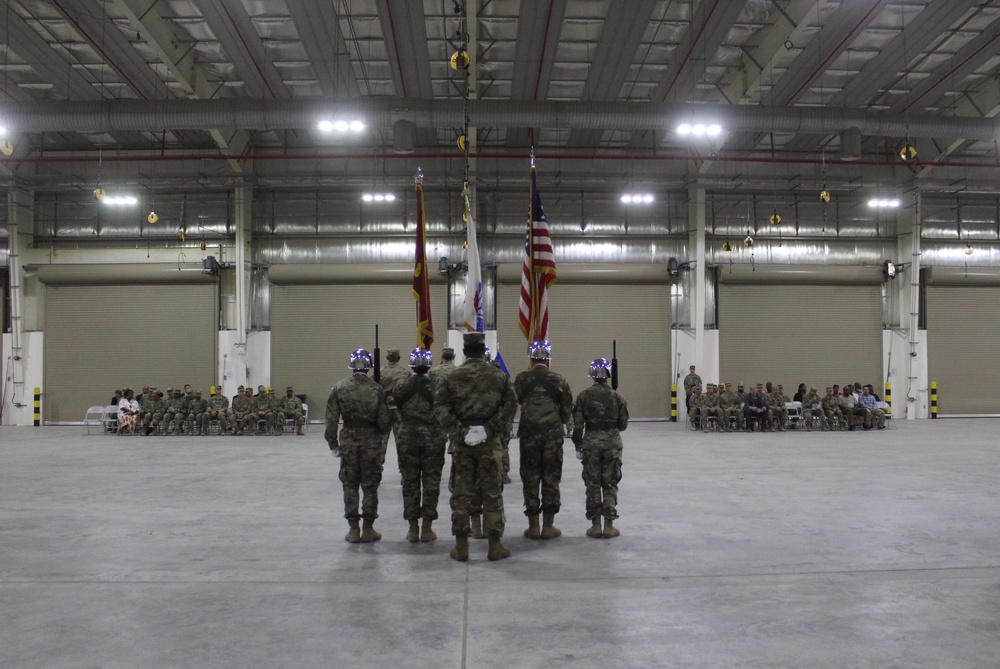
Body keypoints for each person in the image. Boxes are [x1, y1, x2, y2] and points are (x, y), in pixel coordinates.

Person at [434, 332, 517, 562]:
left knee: (462, 494)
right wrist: (488, 429)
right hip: (490, 444)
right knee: (492, 494)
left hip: (462, 445)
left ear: (464, 351)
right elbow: (511, 406)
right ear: (483, 351)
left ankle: (461, 547)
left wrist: (461, 432)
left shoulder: (451, 377)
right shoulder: (498, 376)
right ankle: (494, 546)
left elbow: (440, 409)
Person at [326, 348, 391, 543]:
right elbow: (384, 421)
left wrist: (333, 443)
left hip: (348, 441)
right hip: (371, 442)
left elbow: (331, 420)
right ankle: (369, 528)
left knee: (350, 484)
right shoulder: (377, 389)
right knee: (370, 486)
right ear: (370, 366)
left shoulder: (339, 387)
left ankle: (353, 529)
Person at [514, 340, 573, 541]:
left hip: (529, 434)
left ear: (531, 359)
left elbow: (519, 400)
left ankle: (533, 526)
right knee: (551, 477)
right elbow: (566, 409)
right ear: (548, 360)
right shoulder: (559, 379)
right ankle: (548, 526)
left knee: (530, 477)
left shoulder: (522, 378)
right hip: (552, 435)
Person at [391, 347, 446, 543]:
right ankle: (427, 527)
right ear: (429, 365)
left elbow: (395, 408)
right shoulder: (438, 386)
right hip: (433, 439)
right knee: (431, 483)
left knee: (410, 482)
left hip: (407, 439)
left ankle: (412, 528)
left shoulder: (400, 386)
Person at [572, 358, 629, 539]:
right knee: (610, 482)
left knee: (593, 483)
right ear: (608, 375)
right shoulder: (617, 397)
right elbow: (623, 425)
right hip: (612, 443)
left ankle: (595, 525)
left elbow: (578, 426)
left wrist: (578, 444)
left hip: (591, 444)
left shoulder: (583, 396)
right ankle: (609, 525)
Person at [379, 348, 413, 449]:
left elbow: (374, 388)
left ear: (387, 357)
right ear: (398, 358)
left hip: (384, 409)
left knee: (382, 439)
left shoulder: (380, 372)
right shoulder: (405, 373)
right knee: (401, 440)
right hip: (399, 409)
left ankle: (379, 463)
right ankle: (403, 463)